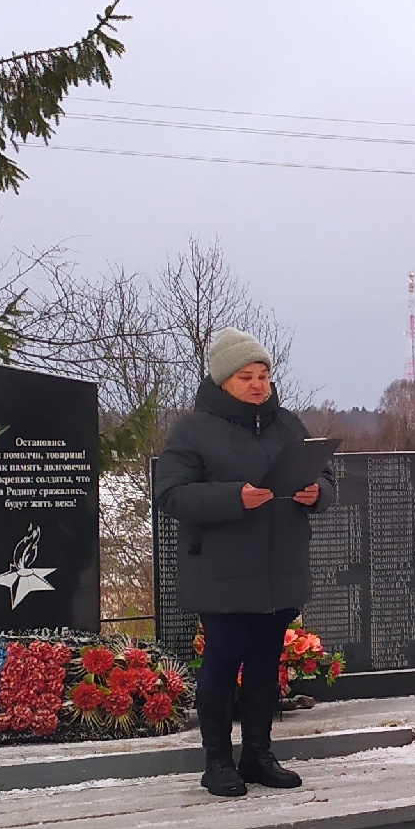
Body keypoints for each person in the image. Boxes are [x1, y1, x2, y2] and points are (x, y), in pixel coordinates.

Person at [151, 329, 328, 798]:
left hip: (278, 568)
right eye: (246, 376)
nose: (258, 384)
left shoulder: (286, 424)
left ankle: (258, 754)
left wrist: (316, 493)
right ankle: (217, 761)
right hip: (222, 571)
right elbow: (170, 493)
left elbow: (324, 477)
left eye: (264, 374)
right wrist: (236, 496)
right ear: (223, 380)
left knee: (266, 664)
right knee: (223, 662)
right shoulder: (193, 429)